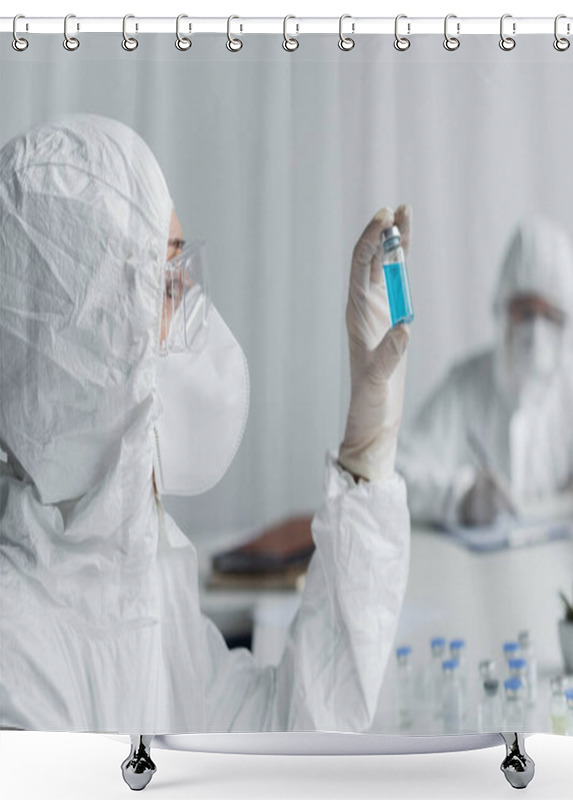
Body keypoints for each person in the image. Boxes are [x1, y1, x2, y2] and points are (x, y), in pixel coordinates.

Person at [0, 113, 412, 734]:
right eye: (169, 284)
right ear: (85, 343)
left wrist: (365, 456)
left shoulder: (135, 577)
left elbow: (281, 734)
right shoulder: (17, 652)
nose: (193, 309)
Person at [397, 215, 573, 527]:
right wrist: (460, 495)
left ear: (565, 322)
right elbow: (398, 470)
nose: (536, 329)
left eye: (549, 315)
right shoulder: (466, 384)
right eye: (525, 311)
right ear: (503, 308)